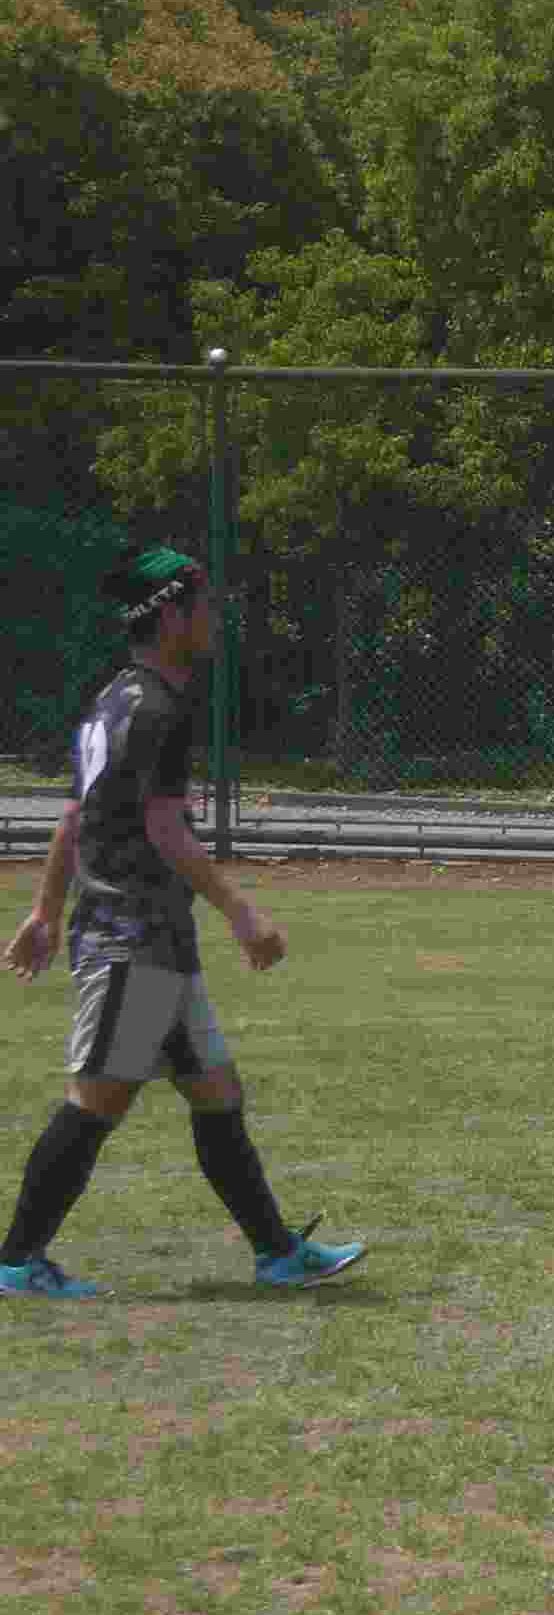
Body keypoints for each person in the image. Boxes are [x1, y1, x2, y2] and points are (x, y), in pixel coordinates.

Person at [1, 545, 364, 1299]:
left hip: (153, 939)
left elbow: (75, 816)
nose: (216, 618)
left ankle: (276, 1254)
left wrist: (45, 911)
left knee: (216, 1092)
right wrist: (244, 913)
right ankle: (14, 1263)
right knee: (96, 1102)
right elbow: (164, 829)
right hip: (132, 941)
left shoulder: (112, 701)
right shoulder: (158, 710)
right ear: (171, 615)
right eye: (206, 605)